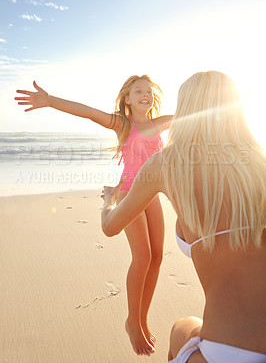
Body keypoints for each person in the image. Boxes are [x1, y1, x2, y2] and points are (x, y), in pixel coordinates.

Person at [101, 71, 266, 362]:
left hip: (229, 348)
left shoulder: (167, 162)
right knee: (178, 314)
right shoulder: (258, 162)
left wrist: (108, 201)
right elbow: (90, 113)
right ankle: (134, 320)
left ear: (185, 108)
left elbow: (110, 227)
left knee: (181, 326)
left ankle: (135, 321)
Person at [15, 75, 173, 356]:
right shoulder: (124, 124)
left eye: (149, 91)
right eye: (138, 91)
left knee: (158, 256)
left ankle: (142, 316)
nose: (145, 95)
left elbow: (197, 112)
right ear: (127, 99)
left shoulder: (159, 123)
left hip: (152, 194)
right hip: (129, 192)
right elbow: (88, 113)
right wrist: (50, 101)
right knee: (143, 257)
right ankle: (132, 322)